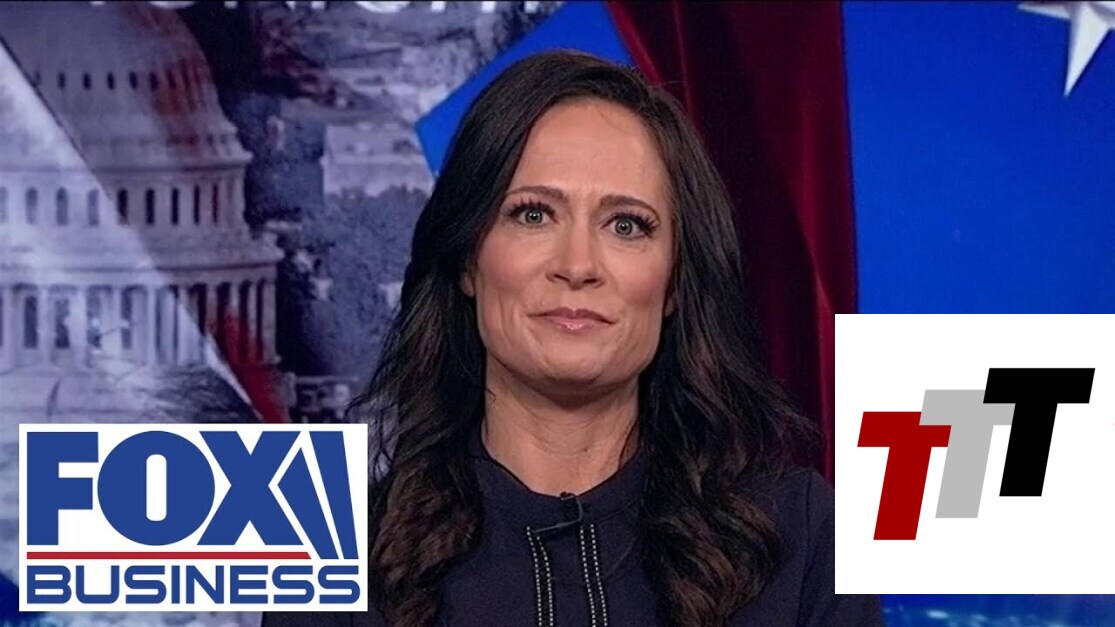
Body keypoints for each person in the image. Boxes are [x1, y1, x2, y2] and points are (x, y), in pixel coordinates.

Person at [265, 50, 883, 627]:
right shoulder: (333, 556)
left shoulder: (801, 537)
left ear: (674, 282)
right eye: (533, 214)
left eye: (626, 225)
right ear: (467, 260)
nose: (578, 264)